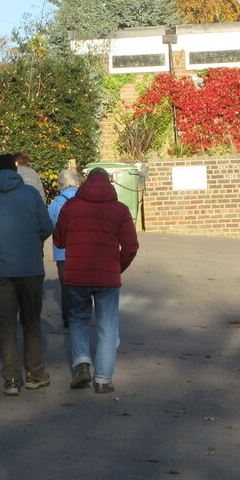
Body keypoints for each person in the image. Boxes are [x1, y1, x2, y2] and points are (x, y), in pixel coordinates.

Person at [0, 153, 54, 396]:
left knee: (4, 323)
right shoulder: (31, 194)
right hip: (30, 268)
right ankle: (35, 373)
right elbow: (47, 227)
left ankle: (12, 378)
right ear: (15, 172)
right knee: (31, 321)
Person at [53, 167, 139, 394]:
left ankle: (82, 362)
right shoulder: (120, 210)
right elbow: (131, 247)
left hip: (77, 275)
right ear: (109, 183)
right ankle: (103, 379)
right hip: (107, 278)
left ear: (85, 183)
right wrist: (117, 268)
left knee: (78, 320)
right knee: (107, 327)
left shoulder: (70, 207)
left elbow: (59, 241)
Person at [47, 168, 81, 328]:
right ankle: (81, 312)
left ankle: (68, 316)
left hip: (61, 252)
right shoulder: (83, 201)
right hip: (81, 250)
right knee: (81, 284)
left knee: (66, 285)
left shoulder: (55, 205)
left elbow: (48, 226)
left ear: (60, 184)